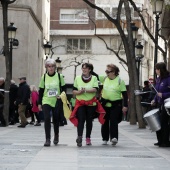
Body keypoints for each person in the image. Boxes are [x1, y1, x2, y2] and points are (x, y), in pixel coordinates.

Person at [38, 58, 66, 147]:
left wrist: (61, 95)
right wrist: (39, 103)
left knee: (56, 120)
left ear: (55, 67)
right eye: (49, 66)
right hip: (46, 100)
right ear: (46, 67)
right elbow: (41, 90)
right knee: (46, 118)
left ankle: (56, 135)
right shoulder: (44, 77)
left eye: (53, 66)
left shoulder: (59, 76)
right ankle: (47, 139)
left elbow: (64, 89)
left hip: (56, 100)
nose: (51, 68)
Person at [71, 63, 100, 147]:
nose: (84, 70)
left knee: (89, 121)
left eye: (86, 68)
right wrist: (79, 92)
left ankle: (88, 138)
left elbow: (95, 89)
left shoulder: (94, 78)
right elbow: (74, 90)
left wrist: (85, 90)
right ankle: (79, 137)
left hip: (91, 103)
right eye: (83, 68)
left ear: (90, 69)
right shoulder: (77, 78)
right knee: (81, 120)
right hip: (80, 103)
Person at [100, 64, 128, 145]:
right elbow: (94, 76)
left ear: (114, 72)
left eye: (109, 71)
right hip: (105, 103)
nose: (107, 73)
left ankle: (114, 137)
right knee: (104, 121)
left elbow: (125, 95)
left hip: (116, 104)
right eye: (106, 71)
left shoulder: (120, 81)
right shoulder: (104, 78)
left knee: (113, 120)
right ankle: (105, 138)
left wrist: (125, 105)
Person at [151, 62, 170, 147]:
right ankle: (160, 140)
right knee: (158, 121)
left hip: (167, 103)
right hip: (159, 103)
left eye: (156, 69)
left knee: (164, 122)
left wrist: (163, 95)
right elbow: (157, 92)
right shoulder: (158, 79)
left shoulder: (168, 79)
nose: (155, 71)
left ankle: (165, 141)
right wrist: (154, 99)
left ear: (160, 70)